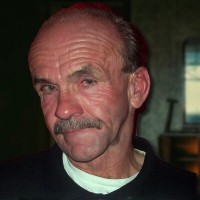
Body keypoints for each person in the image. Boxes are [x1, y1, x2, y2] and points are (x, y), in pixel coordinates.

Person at [0, 2, 197, 200]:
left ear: (136, 88)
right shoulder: (7, 187)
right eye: (49, 88)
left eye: (87, 81)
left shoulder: (186, 191)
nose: (63, 110)